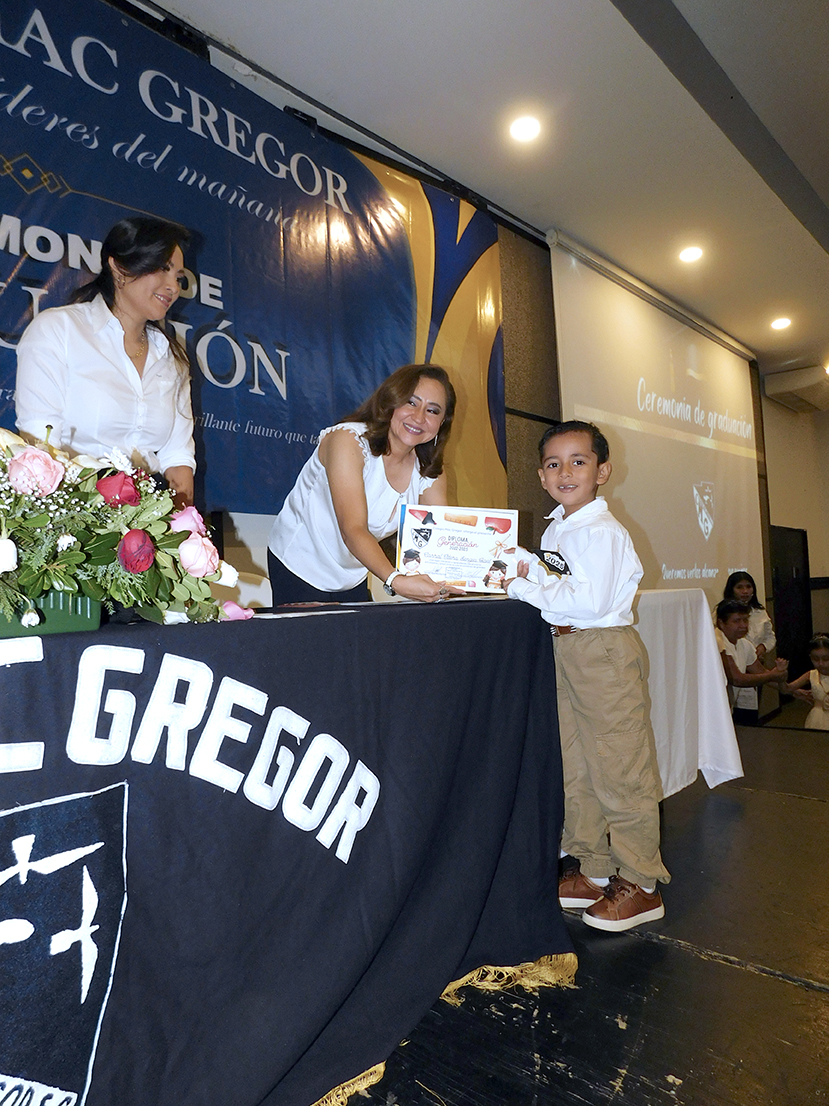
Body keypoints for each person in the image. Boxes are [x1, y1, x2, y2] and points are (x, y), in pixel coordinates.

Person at [505, 420, 669, 933]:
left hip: (600, 650)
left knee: (620, 767)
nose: (565, 472)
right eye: (553, 464)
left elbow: (589, 601)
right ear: (540, 475)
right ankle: (594, 869)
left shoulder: (601, 531)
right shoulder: (560, 527)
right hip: (566, 647)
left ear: (603, 471)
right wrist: (517, 563)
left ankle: (641, 883)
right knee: (576, 766)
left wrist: (519, 586)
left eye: (578, 461)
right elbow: (558, 581)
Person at [15, 216, 195, 508]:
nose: (173, 287)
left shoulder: (173, 359)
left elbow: (178, 457)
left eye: (178, 277)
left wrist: (182, 527)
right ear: (119, 267)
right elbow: (39, 443)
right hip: (73, 514)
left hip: (147, 521)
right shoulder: (59, 330)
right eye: (162, 269)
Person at [267, 364, 464, 604]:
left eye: (432, 410)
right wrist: (395, 580)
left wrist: (497, 572)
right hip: (301, 563)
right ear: (390, 402)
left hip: (353, 571)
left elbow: (441, 540)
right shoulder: (348, 441)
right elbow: (353, 529)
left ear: (442, 422)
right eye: (411, 402)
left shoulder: (429, 468)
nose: (419, 417)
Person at [714, 599, 787, 724]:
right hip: (712, 709)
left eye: (745, 620)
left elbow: (760, 672)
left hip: (727, 708)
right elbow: (736, 678)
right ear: (721, 622)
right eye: (737, 621)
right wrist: (773, 675)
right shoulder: (717, 641)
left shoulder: (744, 643)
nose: (743, 625)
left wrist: (793, 689)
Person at [719, 571, 776, 723]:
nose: (745, 591)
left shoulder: (759, 612)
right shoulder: (720, 638)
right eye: (739, 587)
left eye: (748, 587)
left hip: (752, 664)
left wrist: (790, 688)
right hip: (730, 682)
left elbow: (770, 637)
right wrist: (774, 675)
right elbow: (737, 678)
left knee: (748, 718)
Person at [781, 634, 829, 730]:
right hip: (818, 718)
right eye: (815, 659)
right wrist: (781, 676)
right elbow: (786, 689)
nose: (820, 663)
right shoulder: (811, 674)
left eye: (826, 659)